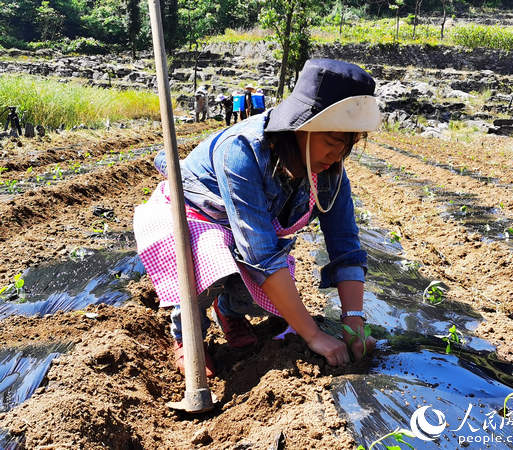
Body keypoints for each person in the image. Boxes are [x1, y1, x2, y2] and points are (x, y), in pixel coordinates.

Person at [133, 58, 380, 377]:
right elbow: (261, 254)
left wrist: (353, 321)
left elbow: (345, 245)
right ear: (303, 125)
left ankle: (230, 311)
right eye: (332, 143)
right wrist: (313, 335)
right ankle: (188, 337)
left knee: (262, 292)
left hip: (249, 229)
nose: (337, 157)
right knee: (210, 256)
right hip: (198, 216)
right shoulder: (244, 151)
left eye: (347, 148)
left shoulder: (331, 172)